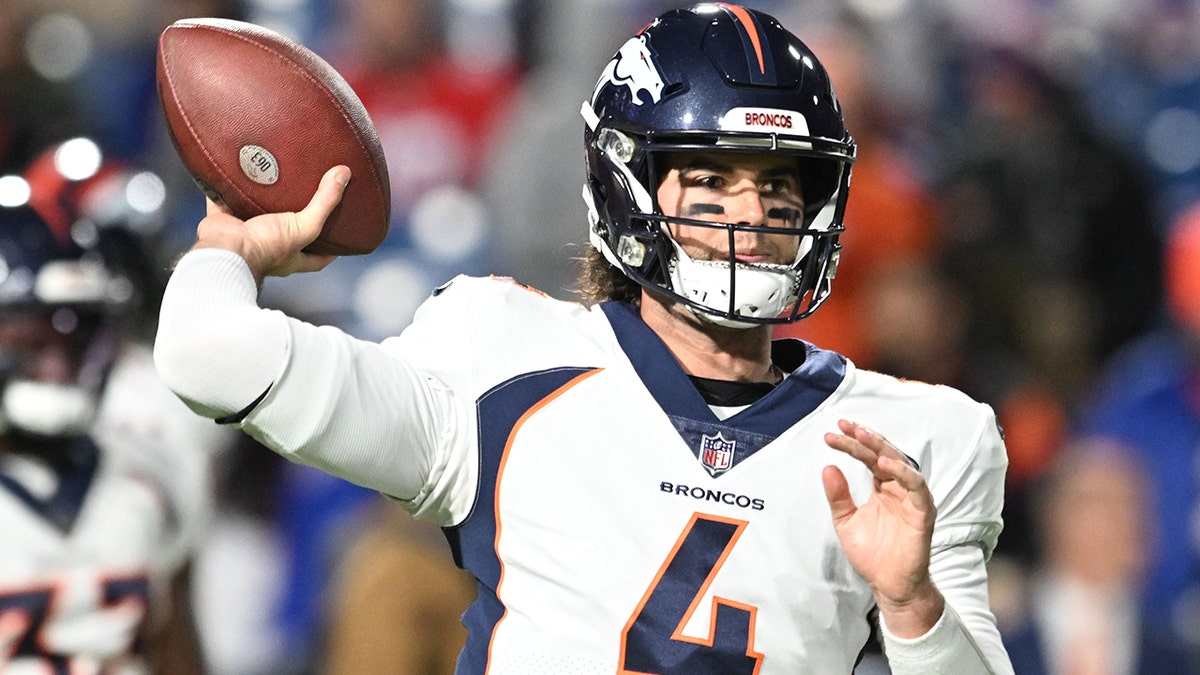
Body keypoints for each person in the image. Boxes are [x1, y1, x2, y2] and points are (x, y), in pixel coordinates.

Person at [153, 4, 1011, 672]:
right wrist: (231, 248)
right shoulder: (501, 359)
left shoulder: (917, 440)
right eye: (711, 178)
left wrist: (913, 607)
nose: (752, 213)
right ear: (627, 188)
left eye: (782, 186)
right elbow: (208, 355)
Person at [0, 196, 212, 671]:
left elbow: (178, 650)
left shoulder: (157, 468)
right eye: (33, 341)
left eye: (78, 336)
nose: (59, 365)